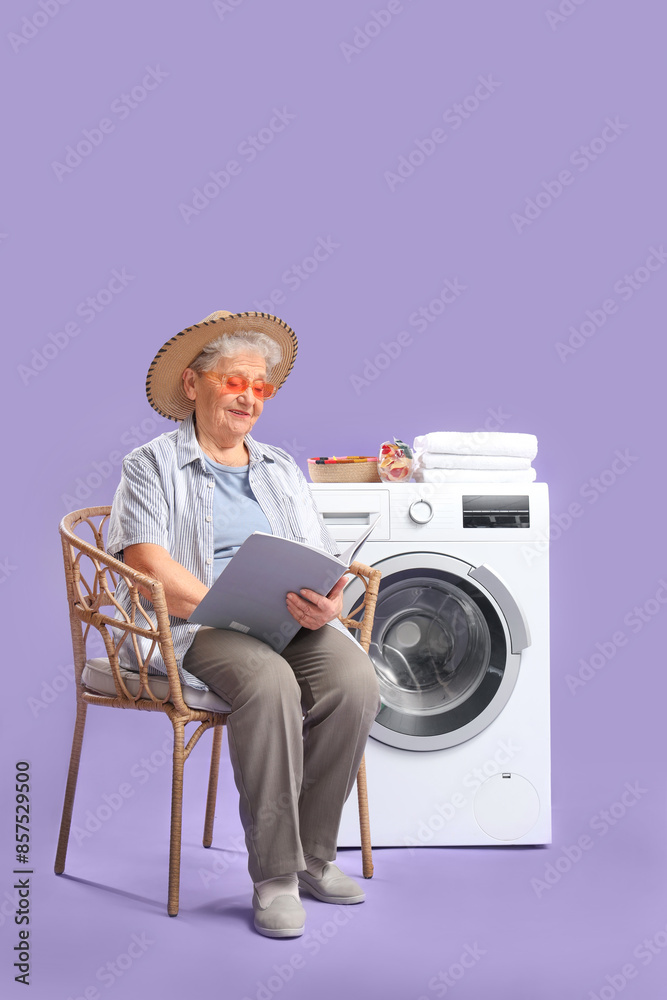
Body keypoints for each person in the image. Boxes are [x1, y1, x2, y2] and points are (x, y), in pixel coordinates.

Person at [107, 309, 380, 938]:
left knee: (355, 678)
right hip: (197, 627)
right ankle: (277, 876)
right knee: (269, 682)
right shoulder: (150, 465)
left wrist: (329, 605)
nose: (249, 399)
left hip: (284, 619)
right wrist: (227, 607)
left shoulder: (280, 468)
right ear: (194, 383)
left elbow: (320, 557)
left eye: (261, 388)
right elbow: (147, 565)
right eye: (236, 382)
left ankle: (315, 859)